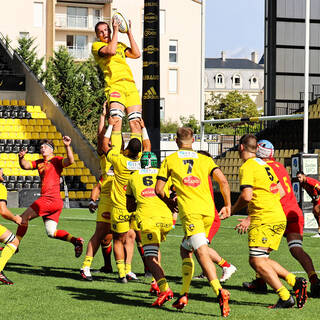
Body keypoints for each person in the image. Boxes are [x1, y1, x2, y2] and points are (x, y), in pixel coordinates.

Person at [220, 134, 307, 309]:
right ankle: (294, 282)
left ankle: (285, 297)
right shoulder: (264, 164)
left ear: (242, 147)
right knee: (262, 259)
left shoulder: (248, 166)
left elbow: (246, 196)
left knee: (257, 261)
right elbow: (281, 191)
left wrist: (231, 209)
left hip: (264, 218)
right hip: (277, 215)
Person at [155, 127, 231, 317]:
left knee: (201, 252)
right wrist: (228, 205)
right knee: (185, 249)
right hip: (208, 211)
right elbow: (223, 181)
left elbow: (158, 189)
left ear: (175, 141)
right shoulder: (205, 159)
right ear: (194, 140)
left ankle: (219, 292)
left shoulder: (170, 160)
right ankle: (183, 295)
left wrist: (169, 202)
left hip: (191, 213)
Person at [241, 140, 320, 298]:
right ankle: (314, 280)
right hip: (294, 212)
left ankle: (273, 284)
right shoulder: (280, 166)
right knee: (296, 249)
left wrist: (250, 217)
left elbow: (270, 194)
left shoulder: (261, 168)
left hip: (275, 213)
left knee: (259, 256)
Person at [16, 137, 84, 257]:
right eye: (41, 147)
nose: (42, 149)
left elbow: (71, 161)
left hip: (49, 199)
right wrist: (21, 158)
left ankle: (14, 244)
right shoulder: (39, 162)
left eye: (45, 147)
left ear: (51, 150)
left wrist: (67, 146)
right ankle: (76, 241)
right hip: (55, 202)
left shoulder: (56, 160)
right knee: (51, 232)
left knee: (23, 218)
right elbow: (25, 166)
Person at [103, 119, 150, 283]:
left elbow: (104, 145)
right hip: (136, 207)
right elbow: (148, 146)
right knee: (131, 237)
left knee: (118, 239)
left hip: (120, 206)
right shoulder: (142, 161)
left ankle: (122, 273)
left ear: (128, 148)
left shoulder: (120, 160)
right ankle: (129, 270)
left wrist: (110, 125)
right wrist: (143, 129)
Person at [126, 151, 175, 306]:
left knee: (149, 257)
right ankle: (155, 281)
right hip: (166, 218)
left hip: (148, 219)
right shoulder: (163, 173)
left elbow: (129, 206)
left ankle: (165, 288)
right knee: (155, 248)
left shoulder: (133, 177)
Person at [80, 103, 118, 281]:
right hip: (109, 198)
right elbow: (100, 136)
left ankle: (130, 271)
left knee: (131, 235)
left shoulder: (121, 153)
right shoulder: (106, 154)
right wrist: (105, 117)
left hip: (121, 197)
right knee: (104, 235)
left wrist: (113, 120)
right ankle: (94, 266)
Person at [92, 18, 142, 135]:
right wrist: (115, 30)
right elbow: (111, 51)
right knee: (116, 121)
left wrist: (129, 32)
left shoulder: (120, 45)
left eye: (106, 30)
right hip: (115, 85)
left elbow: (136, 54)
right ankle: (115, 151)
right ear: (97, 35)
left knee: (136, 122)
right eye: (101, 32)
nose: (105, 33)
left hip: (130, 85)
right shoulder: (97, 46)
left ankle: (137, 153)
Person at [194, 150, 237, 283]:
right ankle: (207, 272)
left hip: (209, 217)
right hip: (203, 215)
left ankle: (226, 266)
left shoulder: (201, 176)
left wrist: (228, 205)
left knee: (199, 247)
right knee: (194, 246)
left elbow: (224, 182)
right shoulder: (203, 175)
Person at [0, 168, 22, 284]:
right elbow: (3, 211)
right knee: (14, 241)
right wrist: (15, 218)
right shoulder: (1, 188)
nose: (2, 172)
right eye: (0, 171)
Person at [296, 171, 320, 238]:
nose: (299, 179)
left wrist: (318, 196)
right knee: (315, 213)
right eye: (298, 178)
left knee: (317, 212)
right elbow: (309, 191)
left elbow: (319, 187)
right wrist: (313, 198)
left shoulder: (309, 181)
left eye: (300, 177)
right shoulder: (302, 184)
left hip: (318, 197)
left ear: (304, 176)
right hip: (315, 198)